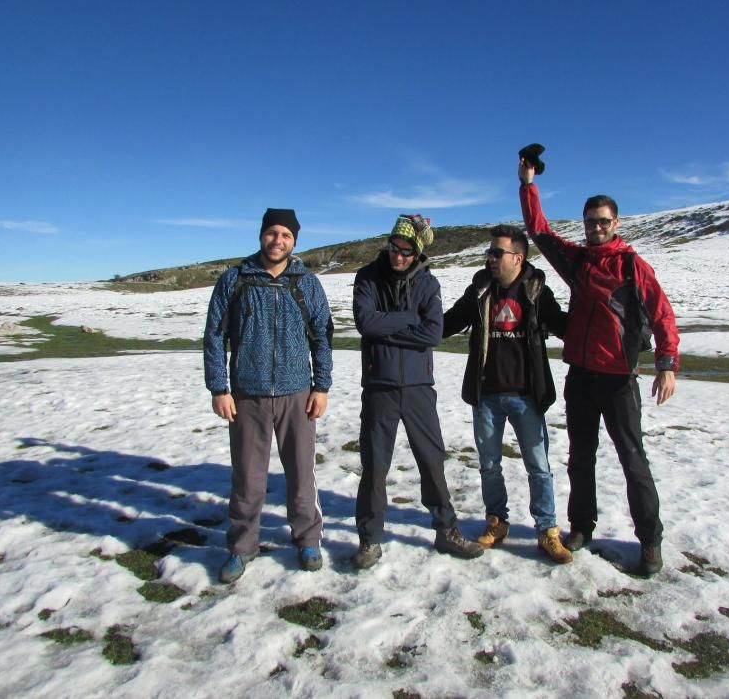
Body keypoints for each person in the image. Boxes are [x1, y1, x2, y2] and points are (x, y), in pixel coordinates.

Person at [518, 156, 680, 575]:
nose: (596, 227)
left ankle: (650, 542)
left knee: (633, 461)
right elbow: (540, 232)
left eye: (603, 221)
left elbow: (662, 313)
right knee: (580, 457)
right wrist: (527, 184)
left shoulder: (631, 265)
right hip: (582, 377)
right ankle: (581, 527)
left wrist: (667, 364)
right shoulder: (579, 261)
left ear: (616, 223)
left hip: (619, 380)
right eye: (591, 221)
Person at [204, 207, 333, 582]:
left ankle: (307, 538)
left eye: (286, 236)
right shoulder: (235, 279)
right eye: (272, 233)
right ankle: (242, 546)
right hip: (247, 394)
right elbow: (215, 335)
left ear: (294, 241)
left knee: (301, 473)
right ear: (262, 235)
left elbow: (322, 336)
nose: (278, 241)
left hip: (298, 393)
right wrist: (219, 388)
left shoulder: (306, 283)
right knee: (247, 476)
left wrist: (321, 387)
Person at [351, 214, 483, 569]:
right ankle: (369, 539)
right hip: (379, 386)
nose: (399, 256)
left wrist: (386, 326)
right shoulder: (367, 278)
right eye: (395, 247)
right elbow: (365, 323)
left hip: (419, 388)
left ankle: (446, 529)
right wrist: (410, 318)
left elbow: (433, 333)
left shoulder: (428, 283)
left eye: (407, 251)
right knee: (375, 466)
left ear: (418, 252)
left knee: (432, 461)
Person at [442, 224, 572, 563]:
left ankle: (547, 530)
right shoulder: (480, 289)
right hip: (487, 395)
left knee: (539, 466)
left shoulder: (535, 290)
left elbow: (559, 322)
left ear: (518, 256)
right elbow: (451, 321)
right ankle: (496, 522)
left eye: (497, 253)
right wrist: (413, 330)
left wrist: (596, 327)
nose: (491, 258)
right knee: (489, 465)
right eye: (490, 252)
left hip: (527, 396)